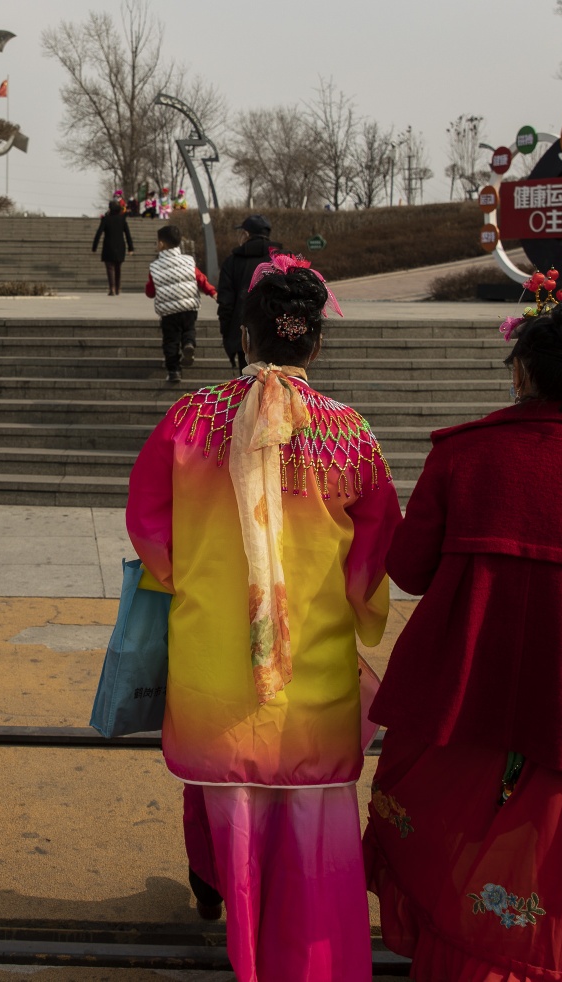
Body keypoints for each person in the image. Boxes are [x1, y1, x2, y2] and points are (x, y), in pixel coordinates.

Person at [363, 268, 562, 982]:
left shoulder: (462, 454)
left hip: (457, 700)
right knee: (561, 884)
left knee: (445, 840)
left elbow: (410, 571)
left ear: (524, 367)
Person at [126, 255, 398, 982]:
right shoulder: (352, 435)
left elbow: (150, 531)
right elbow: (375, 560)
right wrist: (355, 612)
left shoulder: (190, 418)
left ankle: (239, 943)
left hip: (217, 661)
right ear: (314, 343)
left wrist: (199, 584)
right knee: (313, 821)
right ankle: (313, 963)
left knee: (231, 805)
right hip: (312, 662)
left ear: (245, 337)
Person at [145, 224, 217, 385]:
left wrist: (152, 291)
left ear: (162, 244)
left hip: (168, 311)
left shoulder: (155, 266)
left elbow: (150, 291)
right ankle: (189, 343)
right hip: (189, 307)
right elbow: (201, 279)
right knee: (188, 329)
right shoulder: (188, 261)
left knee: (170, 340)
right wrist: (212, 292)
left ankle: (174, 371)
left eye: (157, 242)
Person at [217, 216, 281, 371]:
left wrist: (227, 333)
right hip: (278, 335)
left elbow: (226, 302)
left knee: (249, 387)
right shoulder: (281, 259)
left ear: (246, 234)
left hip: (244, 337)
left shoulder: (232, 262)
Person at [92, 198, 135, 296]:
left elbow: (99, 233)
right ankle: (117, 288)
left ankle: (112, 287)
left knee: (110, 268)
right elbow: (128, 234)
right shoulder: (122, 219)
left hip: (108, 246)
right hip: (120, 246)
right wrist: (130, 248)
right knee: (118, 267)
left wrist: (94, 247)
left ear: (110, 209)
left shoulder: (106, 219)